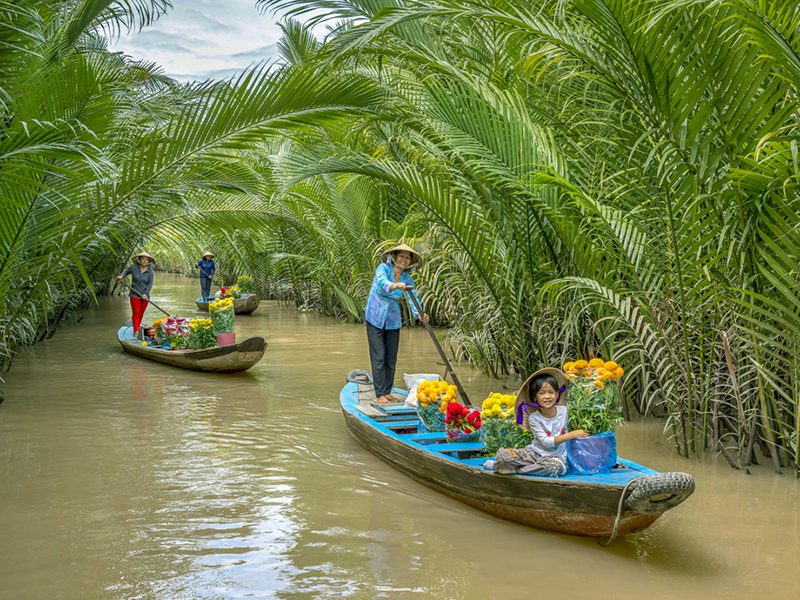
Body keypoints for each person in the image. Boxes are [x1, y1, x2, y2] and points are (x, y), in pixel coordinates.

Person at [488, 368, 589, 477]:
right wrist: (571, 435)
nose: (547, 396)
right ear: (535, 397)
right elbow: (546, 442)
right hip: (533, 454)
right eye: (542, 393)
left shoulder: (565, 412)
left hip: (556, 459)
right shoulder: (534, 417)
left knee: (552, 468)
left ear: (557, 394)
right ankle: (507, 465)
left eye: (551, 392)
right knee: (504, 456)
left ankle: (517, 470)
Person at [365, 243, 430, 404]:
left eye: (407, 258)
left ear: (410, 262)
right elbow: (382, 283)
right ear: (393, 257)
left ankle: (387, 392)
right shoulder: (383, 269)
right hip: (375, 316)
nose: (404, 260)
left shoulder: (408, 278)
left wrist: (420, 315)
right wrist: (394, 285)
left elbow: (412, 297)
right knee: (379, 356)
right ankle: (380, 393)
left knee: (390, 358)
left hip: (393, 319)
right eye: (401, 256)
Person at [117, 251, 155, 338]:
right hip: (134, 294)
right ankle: (136, 330)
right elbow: (125, 272)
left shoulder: (150, 272)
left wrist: (145, 294)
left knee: (141, 313)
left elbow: (150, 284)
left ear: (149, 261)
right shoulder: (133, 268)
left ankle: (138, 326)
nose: (144, 261)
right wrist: (121, 276)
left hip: (145, 296)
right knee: (136, 312)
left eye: (146, 259)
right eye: (143, 259)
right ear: (139, 260)